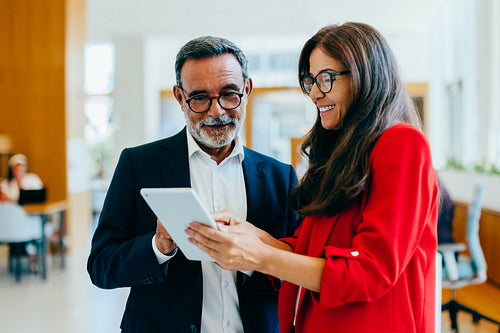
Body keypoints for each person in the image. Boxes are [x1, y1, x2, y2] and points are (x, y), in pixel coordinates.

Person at [186, 23, 439, 333]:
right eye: (310, 80)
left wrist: (260, 256)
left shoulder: (402, 144)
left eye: (327, 79)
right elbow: (311, 253)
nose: (316, 93)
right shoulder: (338, 153)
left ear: (366, 77)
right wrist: (255, 237)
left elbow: (370, 271)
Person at [87, 36, 301, 333]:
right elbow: (101, 267)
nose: (217, 111)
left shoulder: (281, 177)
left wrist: (256, 255)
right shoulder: (139, 165)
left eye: (229, 94)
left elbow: (300, 274)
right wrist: (157, 246)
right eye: (200, 98)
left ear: (247, 89)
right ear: (179, 97)